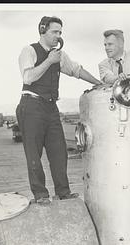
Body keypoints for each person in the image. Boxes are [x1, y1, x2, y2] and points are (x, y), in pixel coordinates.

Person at [17, 16, 102, 205]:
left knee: (59, 151)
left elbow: (76, 70)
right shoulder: (29, 51)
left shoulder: (59, 55)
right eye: (55, 32)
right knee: (34, 153)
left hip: (50, 106)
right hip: (31, 105)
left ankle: (63, 192)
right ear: (42, 30)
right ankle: (40, 195)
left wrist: (99, 83)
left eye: (60, 33)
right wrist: (48, 61)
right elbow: (28, 77)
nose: (58, 36)